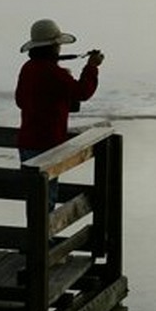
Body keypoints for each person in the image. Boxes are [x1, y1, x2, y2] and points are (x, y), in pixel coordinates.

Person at [15, 18, 105, 204]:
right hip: (48, 144)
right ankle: (44, 233)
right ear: (54, 46)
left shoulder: (28, 68)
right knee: (47, 197)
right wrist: (92, 67)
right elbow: (82, 92)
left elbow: (21, 100)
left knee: (34, 198)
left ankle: (36, 232)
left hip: (26, 141)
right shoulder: (54, 73)